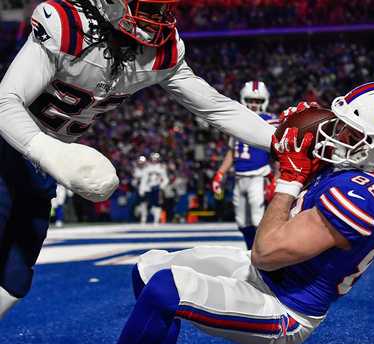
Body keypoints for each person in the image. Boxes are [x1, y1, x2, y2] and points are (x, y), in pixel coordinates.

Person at [35, 81, 374, 344]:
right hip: (266, 276)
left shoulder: (364, 199)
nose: (338, 136)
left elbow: (267, 253)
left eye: (352, 134)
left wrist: (290, 179)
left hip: (284, 308)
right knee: (148, 267)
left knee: (166, 288)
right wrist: (312, 129)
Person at [0, 0, 274, 319]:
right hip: (11, 149)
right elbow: (5, 101)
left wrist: (282, 140)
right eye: (151, 8)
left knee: (15, 278)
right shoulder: (67, 27)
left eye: (164, 9)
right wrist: (52, 152)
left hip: (43, 166)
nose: (159, 19)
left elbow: (216, 107)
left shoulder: (161, 52)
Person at [212, 81, 278, 248]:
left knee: (258, 218)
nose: (254, 104)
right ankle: (250, 250)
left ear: (265, 102)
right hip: (239, 177)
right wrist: (220, 174)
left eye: (258, 101)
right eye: (250, 100)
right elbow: (232, 151)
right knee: (242, 221)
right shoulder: (236, 119)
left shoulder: (270, 121)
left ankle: (262, 253)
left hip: (259, 176)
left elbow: (279, 153)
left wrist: (277, 178)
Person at [138, 153, 169, 225]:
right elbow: (144, 179)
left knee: (156, 204)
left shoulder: (161, 168)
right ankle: (143, 219)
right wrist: (142, 188)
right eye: (153, 158)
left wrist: (161, 186)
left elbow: (166, 179)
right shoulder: (147, 167)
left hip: (156, 187)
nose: (154, 160)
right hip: (148, 187)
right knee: (144, 204)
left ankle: (156, 220)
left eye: (156, 159)